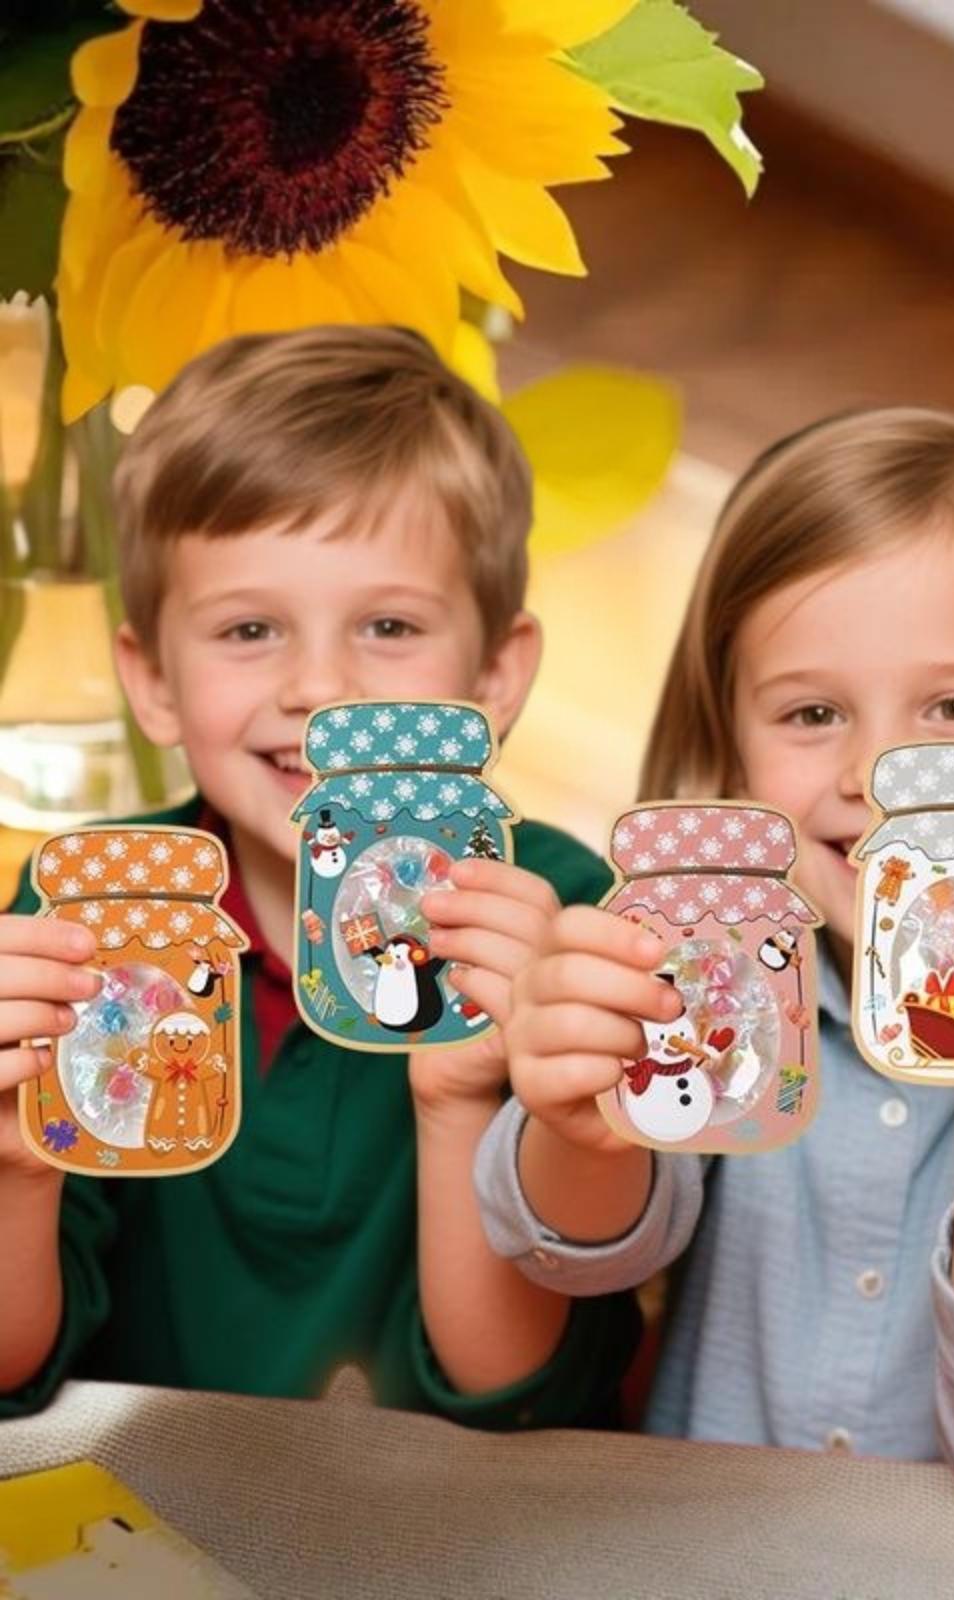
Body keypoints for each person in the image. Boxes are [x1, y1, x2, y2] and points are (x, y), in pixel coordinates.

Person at [476, 407, 954, 1510]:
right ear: (733, 752)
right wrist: (580, 1125)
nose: (876, 774)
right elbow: (579, 1257)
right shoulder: (705, 975)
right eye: (813, 712)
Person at [0, 325, 638, 1428]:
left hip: (462, 1507)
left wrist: (461, 1096)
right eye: (250, 629)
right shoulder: (93, 915)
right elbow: (11, 1371)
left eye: (388, 626)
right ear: (152, 681)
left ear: (495, 676)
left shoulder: (565, 923)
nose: (321, 688)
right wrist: (16, 1167)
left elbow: (507, 1398)